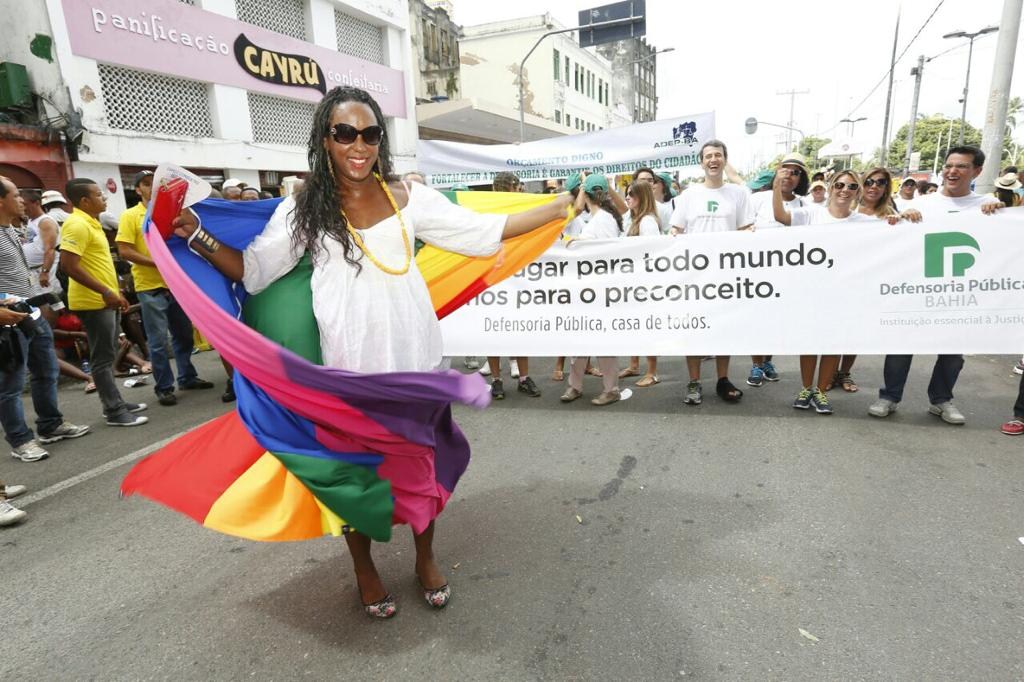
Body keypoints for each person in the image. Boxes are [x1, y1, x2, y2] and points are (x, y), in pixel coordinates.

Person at [170, 86, 571, 618]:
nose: (358, 146)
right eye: (345, 134)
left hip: (416, 365)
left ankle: (425, 558)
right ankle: (364, 569)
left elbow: (483, 233)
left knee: (420, 472)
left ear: (381, 140)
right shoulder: (303, 209)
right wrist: (197, 236)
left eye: (370, 134)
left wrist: (558, 206)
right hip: (349, 373)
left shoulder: (410, 197)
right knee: (355, 483)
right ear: (325, 139)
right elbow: (255, 271)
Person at [868, 146, 1005, 425]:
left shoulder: (988, 205)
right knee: (900, 346)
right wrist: (901, 219)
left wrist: (1002, 214)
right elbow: (897, 243)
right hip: (919, 288)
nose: (952, 171)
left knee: (953, 352)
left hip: (961, 292)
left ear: (977, 171)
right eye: (949, 165)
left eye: (961, 166)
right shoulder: (922, 205)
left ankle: (941, 400)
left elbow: (1004, 240)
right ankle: (889, 396)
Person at [773, 169, 880, 414]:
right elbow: (780, 216)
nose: (845, 190)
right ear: (831, 187)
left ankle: (820, 392)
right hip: (812, 291)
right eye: (840, 185)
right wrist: (777, 186)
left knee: (833, 343)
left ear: (858, 192)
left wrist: (907, 215)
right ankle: (806, 389)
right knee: (809, 342)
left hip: (845, 293)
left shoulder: (865, 222)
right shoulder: (812, 213)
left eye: (852, 187)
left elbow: (895, 233)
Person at [0, 176, 90, 460]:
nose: (22, 200)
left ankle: (50, 425)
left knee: (47, 370)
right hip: (8, 318)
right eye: (15, 195)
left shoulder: (12, 229)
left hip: (31, 311)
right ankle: (21, 441)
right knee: (11, 385)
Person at [116, 170, 215, 407]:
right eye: (146, 184)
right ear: (137, 189)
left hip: (176, 284)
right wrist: (159, 262)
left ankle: (187, 377)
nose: (152, 187)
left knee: (184, 336)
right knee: (158, 341)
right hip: (150, 287)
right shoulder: (131, 216)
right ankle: (164, 387)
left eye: (156, 183)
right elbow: (125, 250)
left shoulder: (173, 212)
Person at [59, 178, 149, 427]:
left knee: (108, 355)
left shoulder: (92, 222)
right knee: (102, 359)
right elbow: (69, 266)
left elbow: (96, 264)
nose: (104, 198)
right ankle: (114, 410)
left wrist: (114, 291)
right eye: (99, 194)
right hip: (93, 302)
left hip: (105, 299)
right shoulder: (76, 224)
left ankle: (115, 403)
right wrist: (105, 292)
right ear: (85, 200)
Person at [670, 139, 753, 405]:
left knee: (724, 328)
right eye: (708, 156)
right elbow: (676, 230)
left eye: (718, 155)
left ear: (725, 160)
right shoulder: (688, 196)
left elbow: (746, 228)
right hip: (695, 276)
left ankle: (723, 379)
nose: (713, 160)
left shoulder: (738, 194)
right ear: (701, 162)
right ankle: (694, 381)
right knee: (693, 328)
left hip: (727, 275)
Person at [747, 155, 810, 387]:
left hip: (788, 275)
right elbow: (742, 227)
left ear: (801, 179)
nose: (789, 175)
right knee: (758, 320)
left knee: (775, 322)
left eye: (795, 172)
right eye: (785, 169)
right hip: (758, 273)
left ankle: (767, 362)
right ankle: (756, 364)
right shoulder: (757, 199)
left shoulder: (804, 206)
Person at [560, 174, 623, 406]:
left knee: (602, 342)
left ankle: (611, 389)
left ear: (584, 194)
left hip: (600, 292)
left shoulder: (603, 219)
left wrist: (576, 244)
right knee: (580, 340)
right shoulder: (599, 218)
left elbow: (605, 254)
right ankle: (575, 385)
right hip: (587, 291)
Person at [617, 181, 661, 387]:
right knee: (635, 326)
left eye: (631, 195)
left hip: (645, 284)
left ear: (642, 198)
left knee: (647, 328)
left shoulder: (647, 222)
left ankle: (652, 372)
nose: (627, 198)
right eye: (627, 194)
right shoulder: (634, 219)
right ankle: (634, 365)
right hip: (634, 283)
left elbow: (652, 253)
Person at [20, 190, 62, 303]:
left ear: (37, 203)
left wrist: (45, 272)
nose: (22, 208)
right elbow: (34, 242)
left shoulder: (45, 222)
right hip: (33, 271)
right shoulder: (31, 220)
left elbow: (50, 249)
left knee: (52, 302)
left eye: (25, 204)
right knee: (40, 302)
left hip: (45, 271)